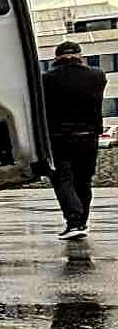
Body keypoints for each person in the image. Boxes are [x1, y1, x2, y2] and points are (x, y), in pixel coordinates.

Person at [43, 41, 105, 238]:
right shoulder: (97, 76)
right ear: (80, 55)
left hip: (59, 137)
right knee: (83, 181)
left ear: (56, 57)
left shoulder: (46, 80)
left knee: (63, 179)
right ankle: (81, 222)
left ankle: (75, 222)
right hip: (89, 137)